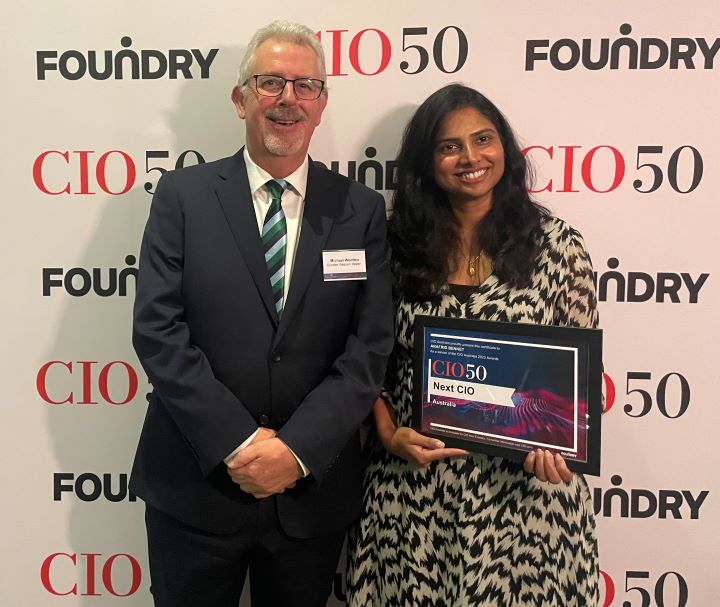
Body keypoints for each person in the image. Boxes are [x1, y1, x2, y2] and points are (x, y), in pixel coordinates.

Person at [130, 20, 393, 607]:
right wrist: (241, 442)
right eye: (270, 82)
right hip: (196, 490)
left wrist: (295, 451)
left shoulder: (361, 210)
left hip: (309, 497)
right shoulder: (181, 197)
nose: (288, 99)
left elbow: (369, 346)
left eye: (305, 86)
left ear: (322, 104)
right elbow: (157, 330)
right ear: (240, 97)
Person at [346, 84, 599, 606]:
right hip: (414, 497)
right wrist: (389, 433)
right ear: (427, 161)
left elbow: (579, 378)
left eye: (483, 139)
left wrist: (561, 446)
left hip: (527, 507)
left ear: (504, 147)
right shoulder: (390, 247)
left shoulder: (559, 246)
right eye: (449, 146)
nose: (470, 158)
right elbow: (357, 355)